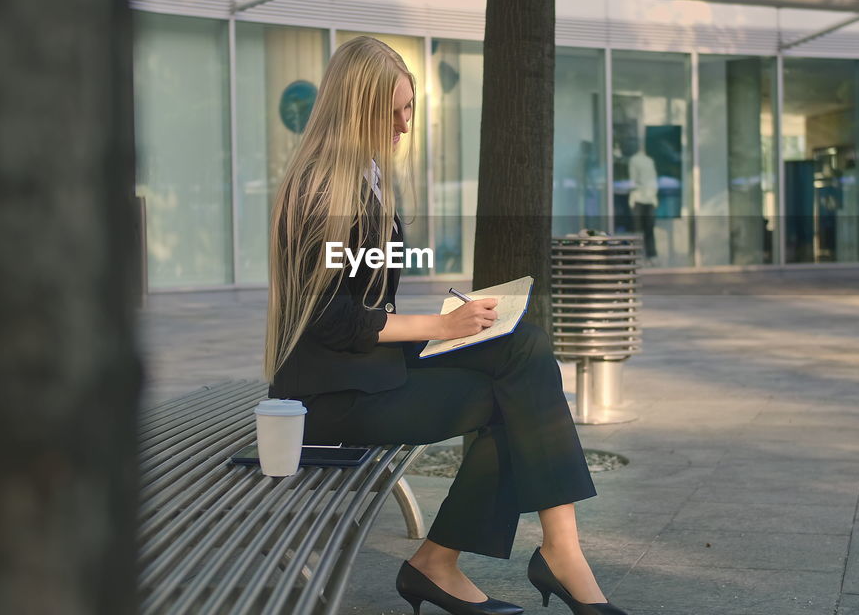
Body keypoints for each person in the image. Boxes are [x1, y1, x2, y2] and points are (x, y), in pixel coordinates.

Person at [264, 36, 628, 615]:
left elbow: (367, 295)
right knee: (516, 398)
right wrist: (442, 324)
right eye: (396, 111)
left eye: (410, 108)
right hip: (330, 397)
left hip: (366, 370)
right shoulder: (319, 188)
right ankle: (461, 561)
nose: (407, 125)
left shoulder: (367, 177)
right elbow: (331, 319)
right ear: (359, 110)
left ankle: (549, 550)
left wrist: (460, 323)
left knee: (524, 347)